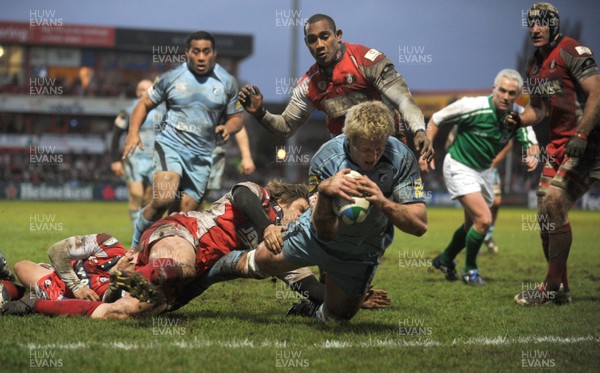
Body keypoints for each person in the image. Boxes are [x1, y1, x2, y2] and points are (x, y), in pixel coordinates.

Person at [199, 101, 427, 326]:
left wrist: (383, 203)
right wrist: (326, 193)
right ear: (350, 139)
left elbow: (419, 226)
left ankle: (311, 309)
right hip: (314, 236)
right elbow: (324, 232)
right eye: (366, 149)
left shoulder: (401, 158)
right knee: (263, 258)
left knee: (339, 317)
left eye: (379, 148)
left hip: (362, 248)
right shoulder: (326, 159)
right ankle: (207, 271)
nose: (373, 156)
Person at [238, 13, 433, 160]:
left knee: (407, 213)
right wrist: (260, 113)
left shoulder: (366, 60)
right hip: (346, 156)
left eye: (325, 36)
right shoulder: (308, 84)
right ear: (307, 44)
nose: (320, 44)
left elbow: (402, 98)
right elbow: (287, 126)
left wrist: (419, 130)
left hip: (387, 147)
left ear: (338, 35)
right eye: (312, 40)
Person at [122, 31, 244, 248]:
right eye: (196, 51)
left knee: (183, 216)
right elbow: (143, 104)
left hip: (202, 157)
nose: (201, 57)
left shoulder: (227, 82)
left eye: (206, 52)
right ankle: (134, 247)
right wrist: (133, 132)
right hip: (171, 146)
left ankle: (160, 258)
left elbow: (237, 118)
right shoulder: (171, 78)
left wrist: (228, 127)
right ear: (187, 53)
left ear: (214, 53)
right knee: (163, 198)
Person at [513, 3, 600, 305]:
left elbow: (596, 92)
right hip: (557, 147)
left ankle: (548, 287)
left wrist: (582, 133)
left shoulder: (572, 51)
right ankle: (561, 288)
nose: (534, 29)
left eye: (541, 24)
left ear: (553, 25)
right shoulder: (534, 64)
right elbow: (538, 109)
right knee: (544, 214)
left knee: (554, 202)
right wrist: (518, 119)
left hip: (586, 144)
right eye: (531, 24)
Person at [421, 69, 539, 285]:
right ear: (494, 89)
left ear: (518, 95)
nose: (505, 96)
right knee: (484, 220)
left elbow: (531, 142)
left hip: (484, 171)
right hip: (459, 165)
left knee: (472, 226)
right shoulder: (472, 106)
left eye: (511, 93)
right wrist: (426, 152)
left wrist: (533, 156)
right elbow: (436, 119)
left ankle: (445, 259)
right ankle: (470, 270)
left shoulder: (518, 116)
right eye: (502, 90)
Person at [0, 234, 134, 307]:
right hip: (60, 274)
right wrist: (77, 287)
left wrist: (115, 282)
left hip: (60, 294)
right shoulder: (109, 244)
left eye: (138, 265)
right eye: (134, 259)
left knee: (22, 268)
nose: (135, 263)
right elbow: (56, 250)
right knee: (20, 266)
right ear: (131, 251)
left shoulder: (122, 287)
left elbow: (108, 303)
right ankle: (28, 294)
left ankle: (30, 296)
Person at [110, 79, 166, 229]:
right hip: (134, 159)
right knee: (136, 194)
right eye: (141, 89)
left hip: (155, 159)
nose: (144, 92)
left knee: (149, 199)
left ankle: (144, 230)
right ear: (137, 92)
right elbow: (116, 134)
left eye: (148, 89)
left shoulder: (163, 110)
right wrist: (115, 160)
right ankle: (137, 231)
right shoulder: (128, 110)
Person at [205, 126, 256, 202]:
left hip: (215, 152)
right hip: (192, 148)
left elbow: (239, 125)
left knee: (203, 196)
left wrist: (246, 156)